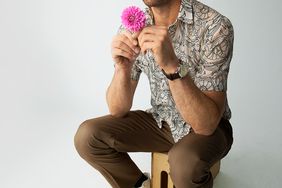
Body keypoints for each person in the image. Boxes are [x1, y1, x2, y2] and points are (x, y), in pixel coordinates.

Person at [74, 0, 234, 187]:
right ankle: (139, 184)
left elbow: (206, 125)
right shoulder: (134, 25)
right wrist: (122, 68)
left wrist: (172, 65)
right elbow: (117, 109)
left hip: (209, 128)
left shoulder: (215, 26)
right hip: (161, 122)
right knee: (88, 136)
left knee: (184, 162)